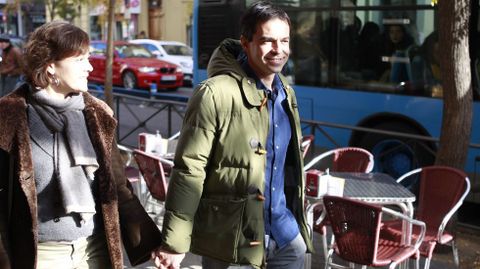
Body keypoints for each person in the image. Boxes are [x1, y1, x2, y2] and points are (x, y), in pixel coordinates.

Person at [153, 1, 313, 268]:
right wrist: (174, 243)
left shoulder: (285, 90)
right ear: (246, 42)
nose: (279, 50)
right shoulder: (214, 94)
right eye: (268, 41)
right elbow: (190, 170)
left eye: (284, 41)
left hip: (285, 237)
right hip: (232, 243)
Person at [0, 21, 162, 269]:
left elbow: (117, 186)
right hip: (41, 256)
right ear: (50, 66)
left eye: (89, 58)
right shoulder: (9, 117)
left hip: (94, 250)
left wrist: (155, 244)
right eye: (79, 60)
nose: (89, 67)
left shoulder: (97, 114)